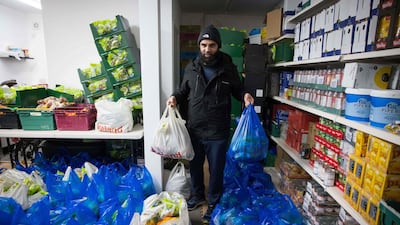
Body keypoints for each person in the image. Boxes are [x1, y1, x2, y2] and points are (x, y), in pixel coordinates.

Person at [167, 24, 254, 223]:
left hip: (218, 129)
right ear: (200, 45)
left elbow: (238, 90)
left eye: (212, 45)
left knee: (216, 169)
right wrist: (174, 98)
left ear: (218, 46)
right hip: (195, 128)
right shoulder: (191, 67)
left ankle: (213, 201)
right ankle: (198, 197)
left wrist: (245, 95)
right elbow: (182, 91)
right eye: (204, 45)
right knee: (195, 166)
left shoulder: (228, 68)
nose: (207, 49)